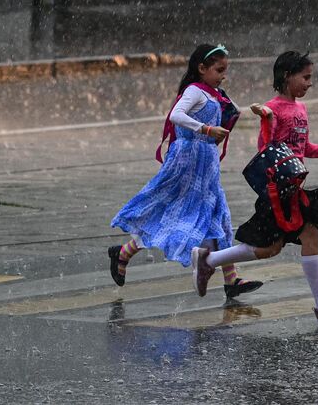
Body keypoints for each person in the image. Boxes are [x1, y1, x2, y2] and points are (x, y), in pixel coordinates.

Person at [191, 50, 318, 326]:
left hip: (293, 190)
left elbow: (304, 148)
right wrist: (266, 120)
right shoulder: (274, 108)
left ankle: (209, 260)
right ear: (287, 76)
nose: (310, 83)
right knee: (305, 235)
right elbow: (266, 148)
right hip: (278, 192)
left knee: (274, 246)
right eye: (305, 77)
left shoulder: (300, 109)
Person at [107, 43, 262, 300]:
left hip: (207, 166)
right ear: (201, 68)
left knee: (218, 217)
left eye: (225, 70)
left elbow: (230, 111)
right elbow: (176, 115)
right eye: (218, 70)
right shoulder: (195, 91)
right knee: (174, 218)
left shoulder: (214, 93)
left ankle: (231, 279)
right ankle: (122, 253)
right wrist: (205, 129)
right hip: (187, 164)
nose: (223, 75)